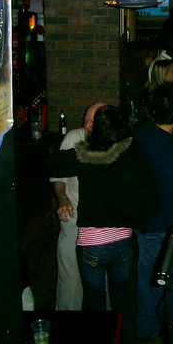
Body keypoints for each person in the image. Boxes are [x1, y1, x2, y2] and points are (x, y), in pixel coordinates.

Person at [46, 105, 160, 344]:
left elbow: (53, 164)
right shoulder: (133, 153)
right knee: (122, 301)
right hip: (122, 242)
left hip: (92, 244)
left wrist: (82, 147)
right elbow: (150, 198)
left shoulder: (85, 154)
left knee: (95, 304)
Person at [134, 86, 173, 344]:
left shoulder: (144, 133)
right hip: (164, 224)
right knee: (172, 282)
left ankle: (147, 328)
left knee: (147, 278)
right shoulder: (164, 147)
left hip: (144, 220)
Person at [50, 102, 105, 310]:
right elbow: (58, 177)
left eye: (94, 121)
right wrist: (62, 198)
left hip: (103, 226)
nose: (88, 125)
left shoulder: (116, 144)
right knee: (69, 282)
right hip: (74, 219)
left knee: (104, 284)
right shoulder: (73, 138)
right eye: (86, 120)